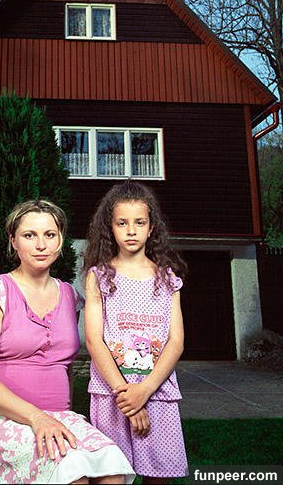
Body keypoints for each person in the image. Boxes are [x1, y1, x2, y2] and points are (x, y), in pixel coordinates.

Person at [0, 199, 135, 484]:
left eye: (50, 235)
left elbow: (64, 367)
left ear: (60, 240)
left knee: (112, 471)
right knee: (73, 475)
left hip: (57, 416)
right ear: (13, 241)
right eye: (29, 235)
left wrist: (60, 415)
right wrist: (37, 417)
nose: (41, 245)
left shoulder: (70, 296)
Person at [83, 180, 189, 483]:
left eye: (139, 222)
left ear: (151, 227)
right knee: (112, 476)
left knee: (160, 476)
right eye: (122, 223)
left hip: (158, 392)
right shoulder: (99, 277)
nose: (131, 230)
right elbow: (94, 340)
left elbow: (176, 342)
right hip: (111, 394)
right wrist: (127, 395)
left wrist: (144, 390)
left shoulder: (167, 279)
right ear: (110, 227)